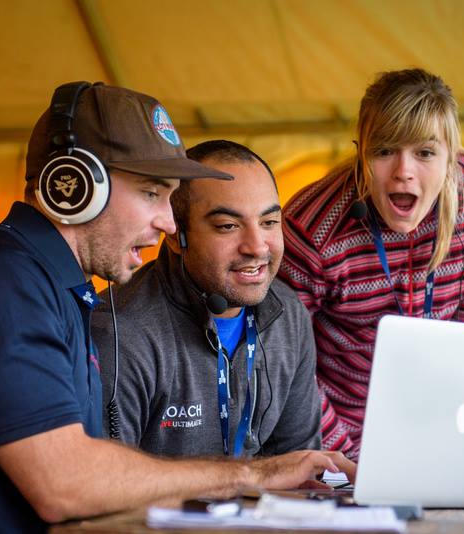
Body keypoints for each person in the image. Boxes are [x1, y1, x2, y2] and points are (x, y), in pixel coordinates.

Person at [0, 82, 354, 533]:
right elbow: (65, 484)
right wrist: (251, 475)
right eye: (150, 193)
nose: (168, 223)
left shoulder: (49, 286)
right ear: (76, 186)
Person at [279, 68, 464, 460]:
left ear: (451, 156)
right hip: (339, 432)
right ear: (361, 151)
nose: (403, 171)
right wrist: (351, 459)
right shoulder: (310, 227)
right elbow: (284, 364)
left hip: (448, 425)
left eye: (425, 152)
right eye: (385, 150)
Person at [91, 140, 321, 458]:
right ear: (175, 234)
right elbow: (106, 489)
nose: (257, 247)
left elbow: (299, 467)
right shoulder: (119, 333)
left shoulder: (290, 315)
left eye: (269, 223)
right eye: (228, 226)